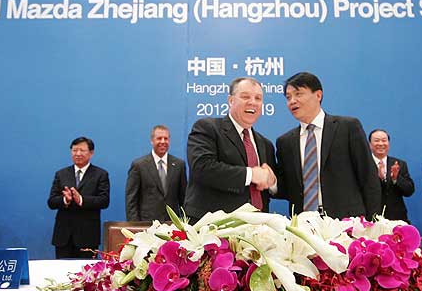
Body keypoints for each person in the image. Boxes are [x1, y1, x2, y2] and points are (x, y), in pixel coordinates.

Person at [275, 72, 380, 219]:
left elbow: (368, 177)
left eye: (298, 94)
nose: (292, 101)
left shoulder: (347, 127)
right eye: (288, 97)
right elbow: (287, 189)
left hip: (346, 222)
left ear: (318, 95)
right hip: (305, 225)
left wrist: (372, 222)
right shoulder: (285, 142)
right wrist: (271, 182)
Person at [184, 77, 277, 220]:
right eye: (245, 97)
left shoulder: (266, 144)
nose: (253, 102)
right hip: (214, 226)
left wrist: (272, 182)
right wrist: (251, 174)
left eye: (258, 98)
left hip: (257, 227)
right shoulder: (207, 128)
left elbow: (269, 187)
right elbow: (202, 168)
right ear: (231, 100)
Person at [48, 137, 111, 259]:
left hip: (88, 236)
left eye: (82, 150)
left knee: (87, 269)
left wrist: (81, 199)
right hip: (63, 236)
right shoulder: (61, 174)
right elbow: (51, 202)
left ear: (91, 153)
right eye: (74, 150)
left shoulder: (100, 174)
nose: (78, 154)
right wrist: (65, 200)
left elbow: (104, 201)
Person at [125, 125, 187, 222]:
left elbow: (183, 198)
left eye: (166, 138)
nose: (163, 141)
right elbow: (131, 199)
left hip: (172, 224)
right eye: (159, 138)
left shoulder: (179, 165)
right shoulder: (139, 165)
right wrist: (135, 225)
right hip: (147, 224)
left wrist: (184, 223)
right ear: (152, 140)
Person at [368, 129, 415, 223]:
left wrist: (395, 179)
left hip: (396, 217)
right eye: (377, 140)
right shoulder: (364, 164)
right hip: (371, 217)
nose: (381, 143)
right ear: (369, 144)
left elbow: (409, 191)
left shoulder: (399, 164)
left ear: (388, 143)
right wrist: (379, 179)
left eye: (384, 140)